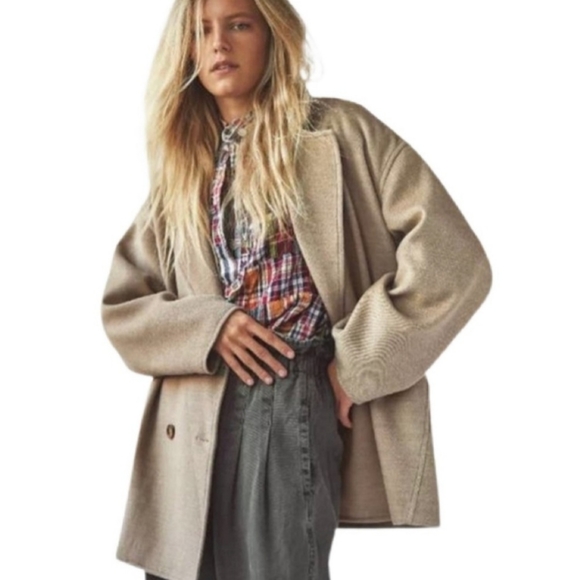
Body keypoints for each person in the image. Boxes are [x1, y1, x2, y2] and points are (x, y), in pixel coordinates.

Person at [100, 0, 492, 578]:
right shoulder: (183, 167)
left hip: (288, 397)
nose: (218, 44)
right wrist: (211, 327)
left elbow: (454, 262)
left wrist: (358, 364)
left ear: (274, 34)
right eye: (201, 31)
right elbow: (125, 305)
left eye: (238, 24)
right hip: (191, 413)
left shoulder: (340, 133)